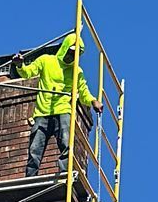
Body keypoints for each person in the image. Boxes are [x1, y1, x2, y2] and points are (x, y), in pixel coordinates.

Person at [13, 32, 99, 178]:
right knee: (35, 147)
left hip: (63, 109)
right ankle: (31, 176)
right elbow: (28, 72)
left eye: (75, 55)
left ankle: (65, 172)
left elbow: (83, 91)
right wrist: (20, 65)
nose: (71, 57)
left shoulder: (76, 71)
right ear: (65, 48)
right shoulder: (46, 61)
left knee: (66, 141)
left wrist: (93, 101)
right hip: (43, 111)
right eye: (70, 52)